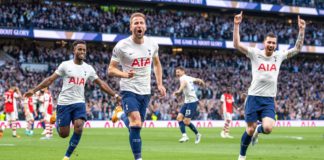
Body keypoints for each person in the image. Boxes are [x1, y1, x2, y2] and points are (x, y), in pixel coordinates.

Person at [24, 40, 121, 160]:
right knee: (64, 134)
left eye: (84, 50)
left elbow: (101, 83)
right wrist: (34, 90)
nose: (82, 52)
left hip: (79, 102)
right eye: (80, 49)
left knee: (79, 126)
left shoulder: (88, 68)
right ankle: (57, 118)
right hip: (64, 103)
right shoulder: (65, 65)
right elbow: (50, 80)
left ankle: (67, 156)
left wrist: (115, 95)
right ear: (74, 50)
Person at [233, 11, 306, 160]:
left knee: (267, 128)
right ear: (264, 43)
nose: (271, 45)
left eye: (274, 43)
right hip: (253, 97)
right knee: (249, 129)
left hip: (268, 99)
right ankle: (242, 156)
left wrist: (302, 30)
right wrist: (236, 25)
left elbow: (297, 49)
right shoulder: (255, 53)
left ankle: (258, 131)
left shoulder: (278, 56)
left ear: (276, 44)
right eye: (269, 42)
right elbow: (236, 45)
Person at [108, 12, 166, 160]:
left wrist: (159, 83)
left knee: (136, 126)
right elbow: (111, 70)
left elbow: (157, 64)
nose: (139, 25)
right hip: (128, 89)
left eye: (141, 23)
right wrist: (124, 74)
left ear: (145, 27)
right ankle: (138, 158)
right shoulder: (121, 46)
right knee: (135, 121)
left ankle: (120, 115)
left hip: (145, 91)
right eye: (136, 23)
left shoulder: (152, 44)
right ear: (130, 27)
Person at [173, 66, 204, 144]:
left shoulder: (183, 78)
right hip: (187, 102)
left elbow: (184, 84)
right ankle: (184, 136)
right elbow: (197, 79)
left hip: (192, 102)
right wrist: (201, 82)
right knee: (179, 117)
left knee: (186, 122)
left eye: (178, 72)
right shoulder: (188, 77)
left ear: (183, 71)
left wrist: (179, 91)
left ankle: (198, 134)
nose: (177, 74)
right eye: (176, 72)